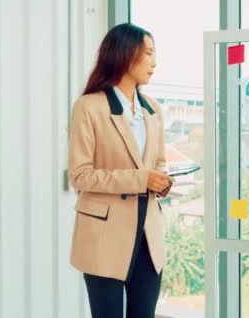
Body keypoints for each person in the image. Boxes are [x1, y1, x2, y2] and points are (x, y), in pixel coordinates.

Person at [68, 23, 175, 318]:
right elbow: (80, 175)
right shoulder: (88, 107)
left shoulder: (153, 110)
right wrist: (142, 179)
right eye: (148, 54)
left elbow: (159, 162)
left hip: (147, 237)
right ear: (125, 55)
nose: (154, 63)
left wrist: (162, 181)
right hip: (104, 235)